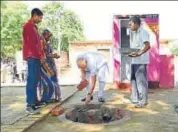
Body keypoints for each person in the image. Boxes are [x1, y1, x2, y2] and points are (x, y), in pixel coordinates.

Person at [22, 8, 45, 114]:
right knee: (31, 80)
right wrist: (40, 55)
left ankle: (35, 101)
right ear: (35, 15)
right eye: (40, 17)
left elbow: (37, 44)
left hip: (36, 56)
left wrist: (40, 55)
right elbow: (31, 44)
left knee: (35, 79)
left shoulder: (34, 27)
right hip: (32, 56)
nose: (40, 19)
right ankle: (30, 105)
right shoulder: (28, 26)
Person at [128, 16, 151, 108]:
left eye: (131, 24)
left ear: (136, 24)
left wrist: (139, 54)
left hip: (140, 61)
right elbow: (137, 47)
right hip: (134, 61)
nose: (130, 26)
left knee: (141, 82)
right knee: (133, 80)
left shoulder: (143, 32)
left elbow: (148, 46)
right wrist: (131, 53)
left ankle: (143, 101)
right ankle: (135, 98)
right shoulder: (135, 33)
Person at [38, 29, 61, 103]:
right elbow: (45, 54)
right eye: (48, 36)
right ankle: (48, 97)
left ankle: (56, 96)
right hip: (45, 64)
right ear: (44, 35)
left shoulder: (47, 43)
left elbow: (48, 53)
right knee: (48, 80)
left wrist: (53, 55)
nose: (49, 37)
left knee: (54, 79)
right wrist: (54, 55)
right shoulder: (41, 42)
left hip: (51, 63)